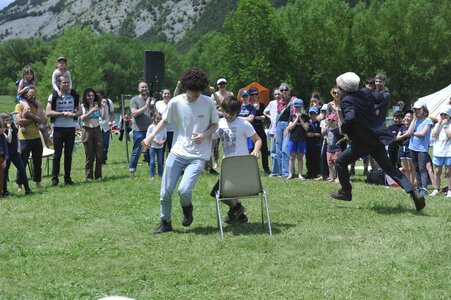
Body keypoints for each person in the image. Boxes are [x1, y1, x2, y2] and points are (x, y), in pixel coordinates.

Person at [330, 72, 425, 211]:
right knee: (389, 168)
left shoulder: (346, 101)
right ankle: (413, 192)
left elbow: (350, 118)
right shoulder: (365, 93)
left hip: (362, 143)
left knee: (339, 162)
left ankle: (346, 191)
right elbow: (383, 96)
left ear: (343, 88)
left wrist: (344, 128)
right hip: (376, 139)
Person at [142, 67, 219, 234]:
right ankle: (165, 222)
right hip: (177, 152)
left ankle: (187, 208)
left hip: (198, 156)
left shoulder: (208, 102)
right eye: (193, 91)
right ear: (186, 88)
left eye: (199, 90)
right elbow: (164, 121)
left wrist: (205, 134)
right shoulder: (176, 102)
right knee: (165, 192)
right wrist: (150, 136)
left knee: (184, 190)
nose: (197, 94)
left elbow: (215, 124)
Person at [210, 95, 262, 224]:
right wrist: (209, 156)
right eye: (226, 112)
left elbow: (258, 139)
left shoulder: (244, 124)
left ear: (237, 112)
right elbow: (212, 140)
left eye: (232, 113)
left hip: (242, 166)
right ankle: (239, 212)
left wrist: (255, 150)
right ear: (222, 110)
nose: (228, 115)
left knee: (218, 192)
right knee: (223, 191)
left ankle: (237, 209)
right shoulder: (219, 124)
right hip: (227, 168)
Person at [46, 75, 81, 186]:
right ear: (58, 84)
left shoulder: (74, 96)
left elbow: (80, 111)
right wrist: (62, 114)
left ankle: (67, 178)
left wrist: (73, 114)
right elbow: (48, 112)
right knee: (57, 154)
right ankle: (54, 179)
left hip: (71, 128)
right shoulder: (53, 96)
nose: (66, 84)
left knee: (68, 154)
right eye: (63, 82)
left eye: (67, 82)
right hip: (58, 128)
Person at [15, 86, 47, 189]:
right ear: (25, 95)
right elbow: (19, 121)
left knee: (37, 162)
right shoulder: (19, 106)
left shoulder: (37, 106)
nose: (33, 97)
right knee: (22, 163)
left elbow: (43, 120)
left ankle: (38, 182)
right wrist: (35, 119)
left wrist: (32, 117)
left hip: (36, 137)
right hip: (24, 139)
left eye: (34, 95)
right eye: (30, 95)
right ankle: (20, 185)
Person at [407, 101, 434, 197]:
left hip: (422, 149)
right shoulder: (415, 120)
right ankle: (418, 187)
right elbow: (409, 132)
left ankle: (424, 188)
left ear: (424, 110)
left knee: (422, 169)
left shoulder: (428, 121)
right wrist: (413, 120)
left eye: (419, 109)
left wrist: (414, 133)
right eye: (415, 109)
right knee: (416, 168)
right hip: (412, 147)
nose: (417, 111)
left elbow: (422, 133)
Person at [1, 112, 31, 196]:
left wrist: (19, 147)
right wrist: (9, 129)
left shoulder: (13, 126)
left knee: (22, 170)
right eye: (7, 119)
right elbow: (9, 140)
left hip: (15, 153)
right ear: (3, 120)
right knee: (5, 173)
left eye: (10, 119)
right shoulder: (2, 130)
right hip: (7, 154)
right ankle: (5, 191)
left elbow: (16, 137)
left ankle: (27, 189)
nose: (9, 121)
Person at [129, 82, 155, 177]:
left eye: (145, 87)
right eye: (142, 87)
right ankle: (132, 171)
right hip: (138, 130)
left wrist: (152, 107)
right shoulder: (134, 100)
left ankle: (152, 172)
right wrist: (146, 106)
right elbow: (134, 113)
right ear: (138, 89)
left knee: (150, 151)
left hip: (150, 130)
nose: (144, 88)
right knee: (137, 151)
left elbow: (154, 114)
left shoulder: (150, 99)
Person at [80, 88, 105, 181]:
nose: (90, 97)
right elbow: (83, 118)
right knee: (89, 155)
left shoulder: (97, 105)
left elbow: (103, 116)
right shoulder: (83, 106)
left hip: (97, 129)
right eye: (88, 96)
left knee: (99, 154)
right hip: (87, 130)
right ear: (85, 97)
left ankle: (98, 175)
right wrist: (91, 111)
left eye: (92, 95)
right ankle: (89, 176)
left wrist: (103, 106)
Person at [275, 83, 296, 177]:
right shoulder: (279, 102)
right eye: (282, 90)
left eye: (286, 90)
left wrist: (288, 128)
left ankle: (288, 172)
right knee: (278, 149)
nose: (283, 92)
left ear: (289, 91)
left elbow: (293, 116)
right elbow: (277, 117)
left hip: (288, 125)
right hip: (279, 125)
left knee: (285, 149)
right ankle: (281, 172)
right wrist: (275, 130)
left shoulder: (293, 100)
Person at [430, 106, 451, 197]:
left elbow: (450, 135)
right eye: (441, 114)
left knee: (448, 172)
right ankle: (436, 189)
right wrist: (438, 125)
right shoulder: (437, 125)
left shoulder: (449, 125)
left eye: (445, 115)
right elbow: (434, 135)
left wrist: (445, 125)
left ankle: (450, 190)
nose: (443, 116)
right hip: (438, 151)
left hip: (448, 152)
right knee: (437, 171)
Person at [286, 98, 308, 180]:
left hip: (301, 139)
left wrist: (300, 120)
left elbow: (306, 128)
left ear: (302, 107)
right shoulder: (291, 116)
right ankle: (290, 174)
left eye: (299, 107)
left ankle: (300, 174)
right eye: (296, 107)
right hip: (293, 139)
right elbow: (290, 128)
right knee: (292, 157)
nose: (297, 108)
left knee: (300, 157)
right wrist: (296, 119)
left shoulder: (306, 117)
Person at [249, 87, 270, 173]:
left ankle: (266, 168)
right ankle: (252, 169)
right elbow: (250, 118)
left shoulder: (262, 105)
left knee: (264, 149)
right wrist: (258, 117)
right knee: (252, 149)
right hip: (252, 128)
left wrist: (254, 117)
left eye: (256, 94)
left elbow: (264, 117)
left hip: (260, 128)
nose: (254, 96)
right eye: (252, 94)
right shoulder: (249, 106)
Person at [323, 114, 345, 182]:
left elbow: (346, 136)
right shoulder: (328, 129)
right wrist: (327, 126)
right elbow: (323, 133)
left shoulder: (338, 130)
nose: (331, 122)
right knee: (330, 165)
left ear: (336, 121)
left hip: (336, 150)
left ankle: (338, 177)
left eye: (333, 120)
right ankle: (332, 177)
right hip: (329, 149)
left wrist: (340, 141)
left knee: (337, 164)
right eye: (329, 120)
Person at [264, 88, 280, 176]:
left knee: (281, 151)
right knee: (273, 152)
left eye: (279, 94)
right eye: (276, 94)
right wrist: (269, 116)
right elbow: (264, 111)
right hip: (272, 130)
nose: (277, 96)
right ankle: (275, 171)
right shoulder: (272, 103)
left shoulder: (283, 103)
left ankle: (283, 170)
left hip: (281, 130)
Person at [396, 110, 415, 185]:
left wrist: (405, 135)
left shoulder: (413, 127)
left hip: (410, 148)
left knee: (411, 168)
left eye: (409, 116)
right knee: (405, 168)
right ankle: (408, 184)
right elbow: (397, 138)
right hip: (402, 149)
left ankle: (412, 183)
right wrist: (405, 135)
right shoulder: (402, 127)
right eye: (406, 116)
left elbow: (410, 134)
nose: (407, 118)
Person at [146, 112, 167, 179]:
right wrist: (155, 141)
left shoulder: (163, 127)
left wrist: (162, 141)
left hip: (160, 146)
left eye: (160, 119)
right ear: (154, 119)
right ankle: (152, 175)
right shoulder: (151, 127)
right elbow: (148, 135)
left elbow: (165, 136)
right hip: (152, 146)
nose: (158, 120)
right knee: (152, 161)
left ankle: (161, 175)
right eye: (157, 119)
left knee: (160, 161)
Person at [97, 89, 115, 164]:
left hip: (106, 126)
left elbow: (112, 113)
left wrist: (110, 121)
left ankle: (103, 159)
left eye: (98, 95)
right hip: (97, 125)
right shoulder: (95, 102)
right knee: (98, 144)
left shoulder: (108, 101)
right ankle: (98, 159)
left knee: (105, 144)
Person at [156, 89, 174, 156]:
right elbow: (156, 115)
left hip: (171, 130)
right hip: (162, 130)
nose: (166, 95)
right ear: (162, 94)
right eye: (165, 93)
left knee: (172, 149)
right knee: (161, 149)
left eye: (168, 94)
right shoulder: (158, 103)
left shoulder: (173, 103)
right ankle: (161, 164)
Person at [306, 106, 322, 179]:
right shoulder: (307, 123)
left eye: (314, 113)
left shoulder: (319, 123)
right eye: (311, 113)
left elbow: (321, 134)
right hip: (308, 143)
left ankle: (316, 173)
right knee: (308, 159)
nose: (312, 115)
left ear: (316, 114)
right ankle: (309, 173)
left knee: (316, 159)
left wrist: (314, 134)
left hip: (316, 143)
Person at [0, 119, 8, 197]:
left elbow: (5, 148)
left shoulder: (2, 136)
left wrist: (5, 160)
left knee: (1, 177)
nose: (2, 130)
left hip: (1, 158)